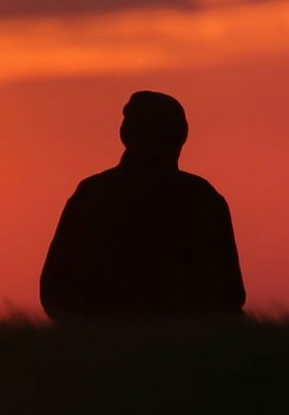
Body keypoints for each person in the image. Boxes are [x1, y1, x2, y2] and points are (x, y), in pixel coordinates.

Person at [40, 91, 245, 322]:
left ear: (126, 134)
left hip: (103, 347)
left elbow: (55, 291)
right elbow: (229, 295)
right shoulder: (202, 198)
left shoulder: (93, 194)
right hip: (178, 348)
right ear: (181, 136)